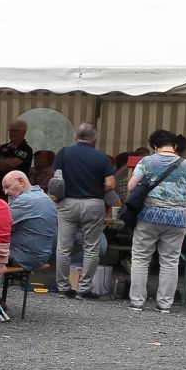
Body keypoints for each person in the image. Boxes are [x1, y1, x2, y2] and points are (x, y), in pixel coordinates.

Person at [128, 129, 186, 313]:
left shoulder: (146, 161)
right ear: (174, 145)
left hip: (149, 215)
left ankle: (137, 302)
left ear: (154, 146)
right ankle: (165, 304)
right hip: (177, 218)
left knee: (141, 258)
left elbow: (131, 186)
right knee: (170, 261)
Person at [50, 123, 114, 298]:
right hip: (93, 204)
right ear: (94, 138)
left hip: (68, 203)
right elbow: (110, 184)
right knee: (91, 248)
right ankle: (84, 289)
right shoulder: (102, 157)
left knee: (64, 247)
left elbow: (56, 179)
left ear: (75, 136)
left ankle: (63, 288)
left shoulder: (64, 152)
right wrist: (97, 189)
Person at [3, 171, 58, 285]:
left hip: (22, 257)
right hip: (41, 256)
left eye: (8, 187)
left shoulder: (23, 201)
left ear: (21, 182)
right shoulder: (46, 198)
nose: (6, 192)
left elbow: (0, 226)